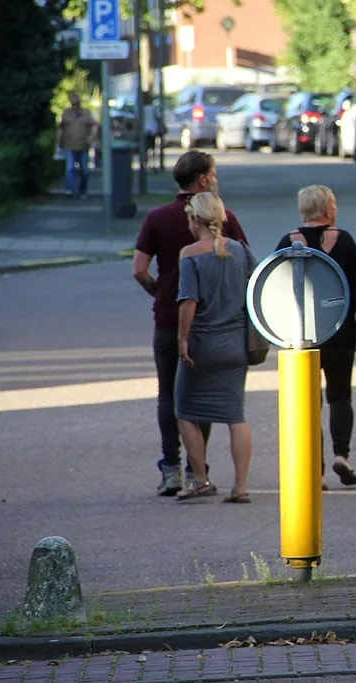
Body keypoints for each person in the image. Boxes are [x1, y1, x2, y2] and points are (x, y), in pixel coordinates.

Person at [132, 150, 249, 496]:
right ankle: (199, 468)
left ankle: (172, 468)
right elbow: (246, 266)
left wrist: (159, 292)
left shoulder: (156, 217)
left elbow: (139, 269)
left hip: (169, 319)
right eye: (214, 174)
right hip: (218, 323)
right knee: (208, 398)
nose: (216, 179)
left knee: (170, 395)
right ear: (203, 181)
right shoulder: (225, 218)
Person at [275, 185, 356, 488]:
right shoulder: (344, 241)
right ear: (328, 210)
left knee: (308, 400)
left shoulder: (288, 241)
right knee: (340, 394)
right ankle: (341, 455)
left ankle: (314, 470)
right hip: (339, 329)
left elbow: (275, 286)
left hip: (300, 332)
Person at [173, 193, 255, 503]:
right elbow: (259, 282)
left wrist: (182, 340)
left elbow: (188, 301)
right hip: (235, 344)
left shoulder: (190, 255)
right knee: (236, 415)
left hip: (202, 345)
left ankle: (201, 479)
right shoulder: (239, 251)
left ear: (196, 220)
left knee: (185, 410)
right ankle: (241, 486)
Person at [56, 94, 98, 199]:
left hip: (83, 146)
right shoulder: (66, 114)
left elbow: (94, 125)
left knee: (84, 170)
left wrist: (92, 137)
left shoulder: (86, 113)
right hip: (69, 146)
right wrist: (57, 143)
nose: (75, 105)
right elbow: (61, 129)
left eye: (76, 102)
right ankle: (70, 190)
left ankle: (82, 191)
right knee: (70, 169)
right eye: (73, 102)